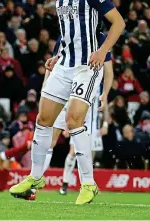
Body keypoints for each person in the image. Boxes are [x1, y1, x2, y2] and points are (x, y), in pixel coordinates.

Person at [8, 0, 126, 205]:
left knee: (73, 120)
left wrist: (103, 51)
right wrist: (57, 54)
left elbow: (119, 23)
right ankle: (35, 178)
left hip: (87, 66)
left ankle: (88, 183)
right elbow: (67, 34)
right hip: (65, 65)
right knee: (43, 118)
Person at [49, 33, 113, 195]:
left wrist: (105, 94)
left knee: (83, 148)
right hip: (65, 94)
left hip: (87, 100)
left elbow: (109, 71)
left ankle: (81, 184)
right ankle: (40, 180)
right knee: (52, 140)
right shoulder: (65, 34)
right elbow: (53, 64)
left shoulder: (101, 39)